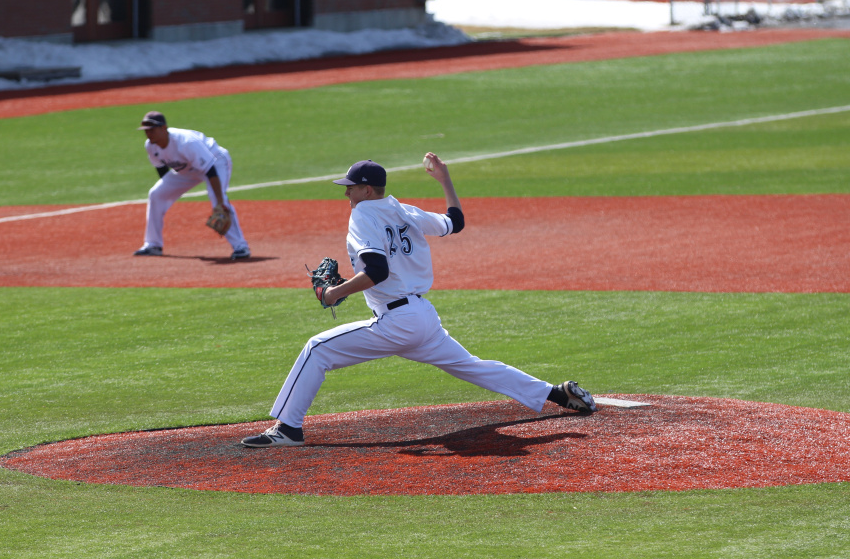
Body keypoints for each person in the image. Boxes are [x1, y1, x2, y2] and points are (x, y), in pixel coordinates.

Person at [242, 154, 596, 448]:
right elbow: (454, 222)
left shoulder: (362, 214)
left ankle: (288, 429)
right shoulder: (403, 209)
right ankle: (557, 393)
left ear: (366, 189)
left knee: (317, 349)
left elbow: (377, 271)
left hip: (398, 321)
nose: (346, 194)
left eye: (350, 188)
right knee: (472, 365)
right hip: (422, 317)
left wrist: (336, 292)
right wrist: (445, 180)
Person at [134, 111, 250, 260]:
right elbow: (163, 170)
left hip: (215, 161)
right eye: (146, 130)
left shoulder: (186, 142)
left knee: (217, 198)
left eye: (152, 129)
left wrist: (220, 202)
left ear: (164, 128)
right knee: (156, 194)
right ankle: (153, 245)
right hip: (186, 170)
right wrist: (172, 191)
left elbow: (210, 170)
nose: (149, 133)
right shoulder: (151, 146)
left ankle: (241, 247)